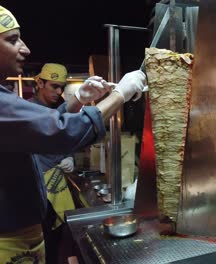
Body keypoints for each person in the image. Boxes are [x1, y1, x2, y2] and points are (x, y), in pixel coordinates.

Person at [0, 5, 147, 264]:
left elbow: (44, 134)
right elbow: (60, 131)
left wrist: (79, 99)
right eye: (12, 40)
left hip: (22, 234)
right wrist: (119, 95)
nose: (25, 48)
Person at [28, 63, 81, 264]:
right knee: (44, 241)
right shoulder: (29, 109)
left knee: (56, 240)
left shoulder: (56, 108)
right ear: (40, 83)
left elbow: (65, 140)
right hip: (37, 191)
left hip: (57, 187)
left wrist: (70, 157)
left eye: (61, 87)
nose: (58, 92)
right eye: (54, 86)